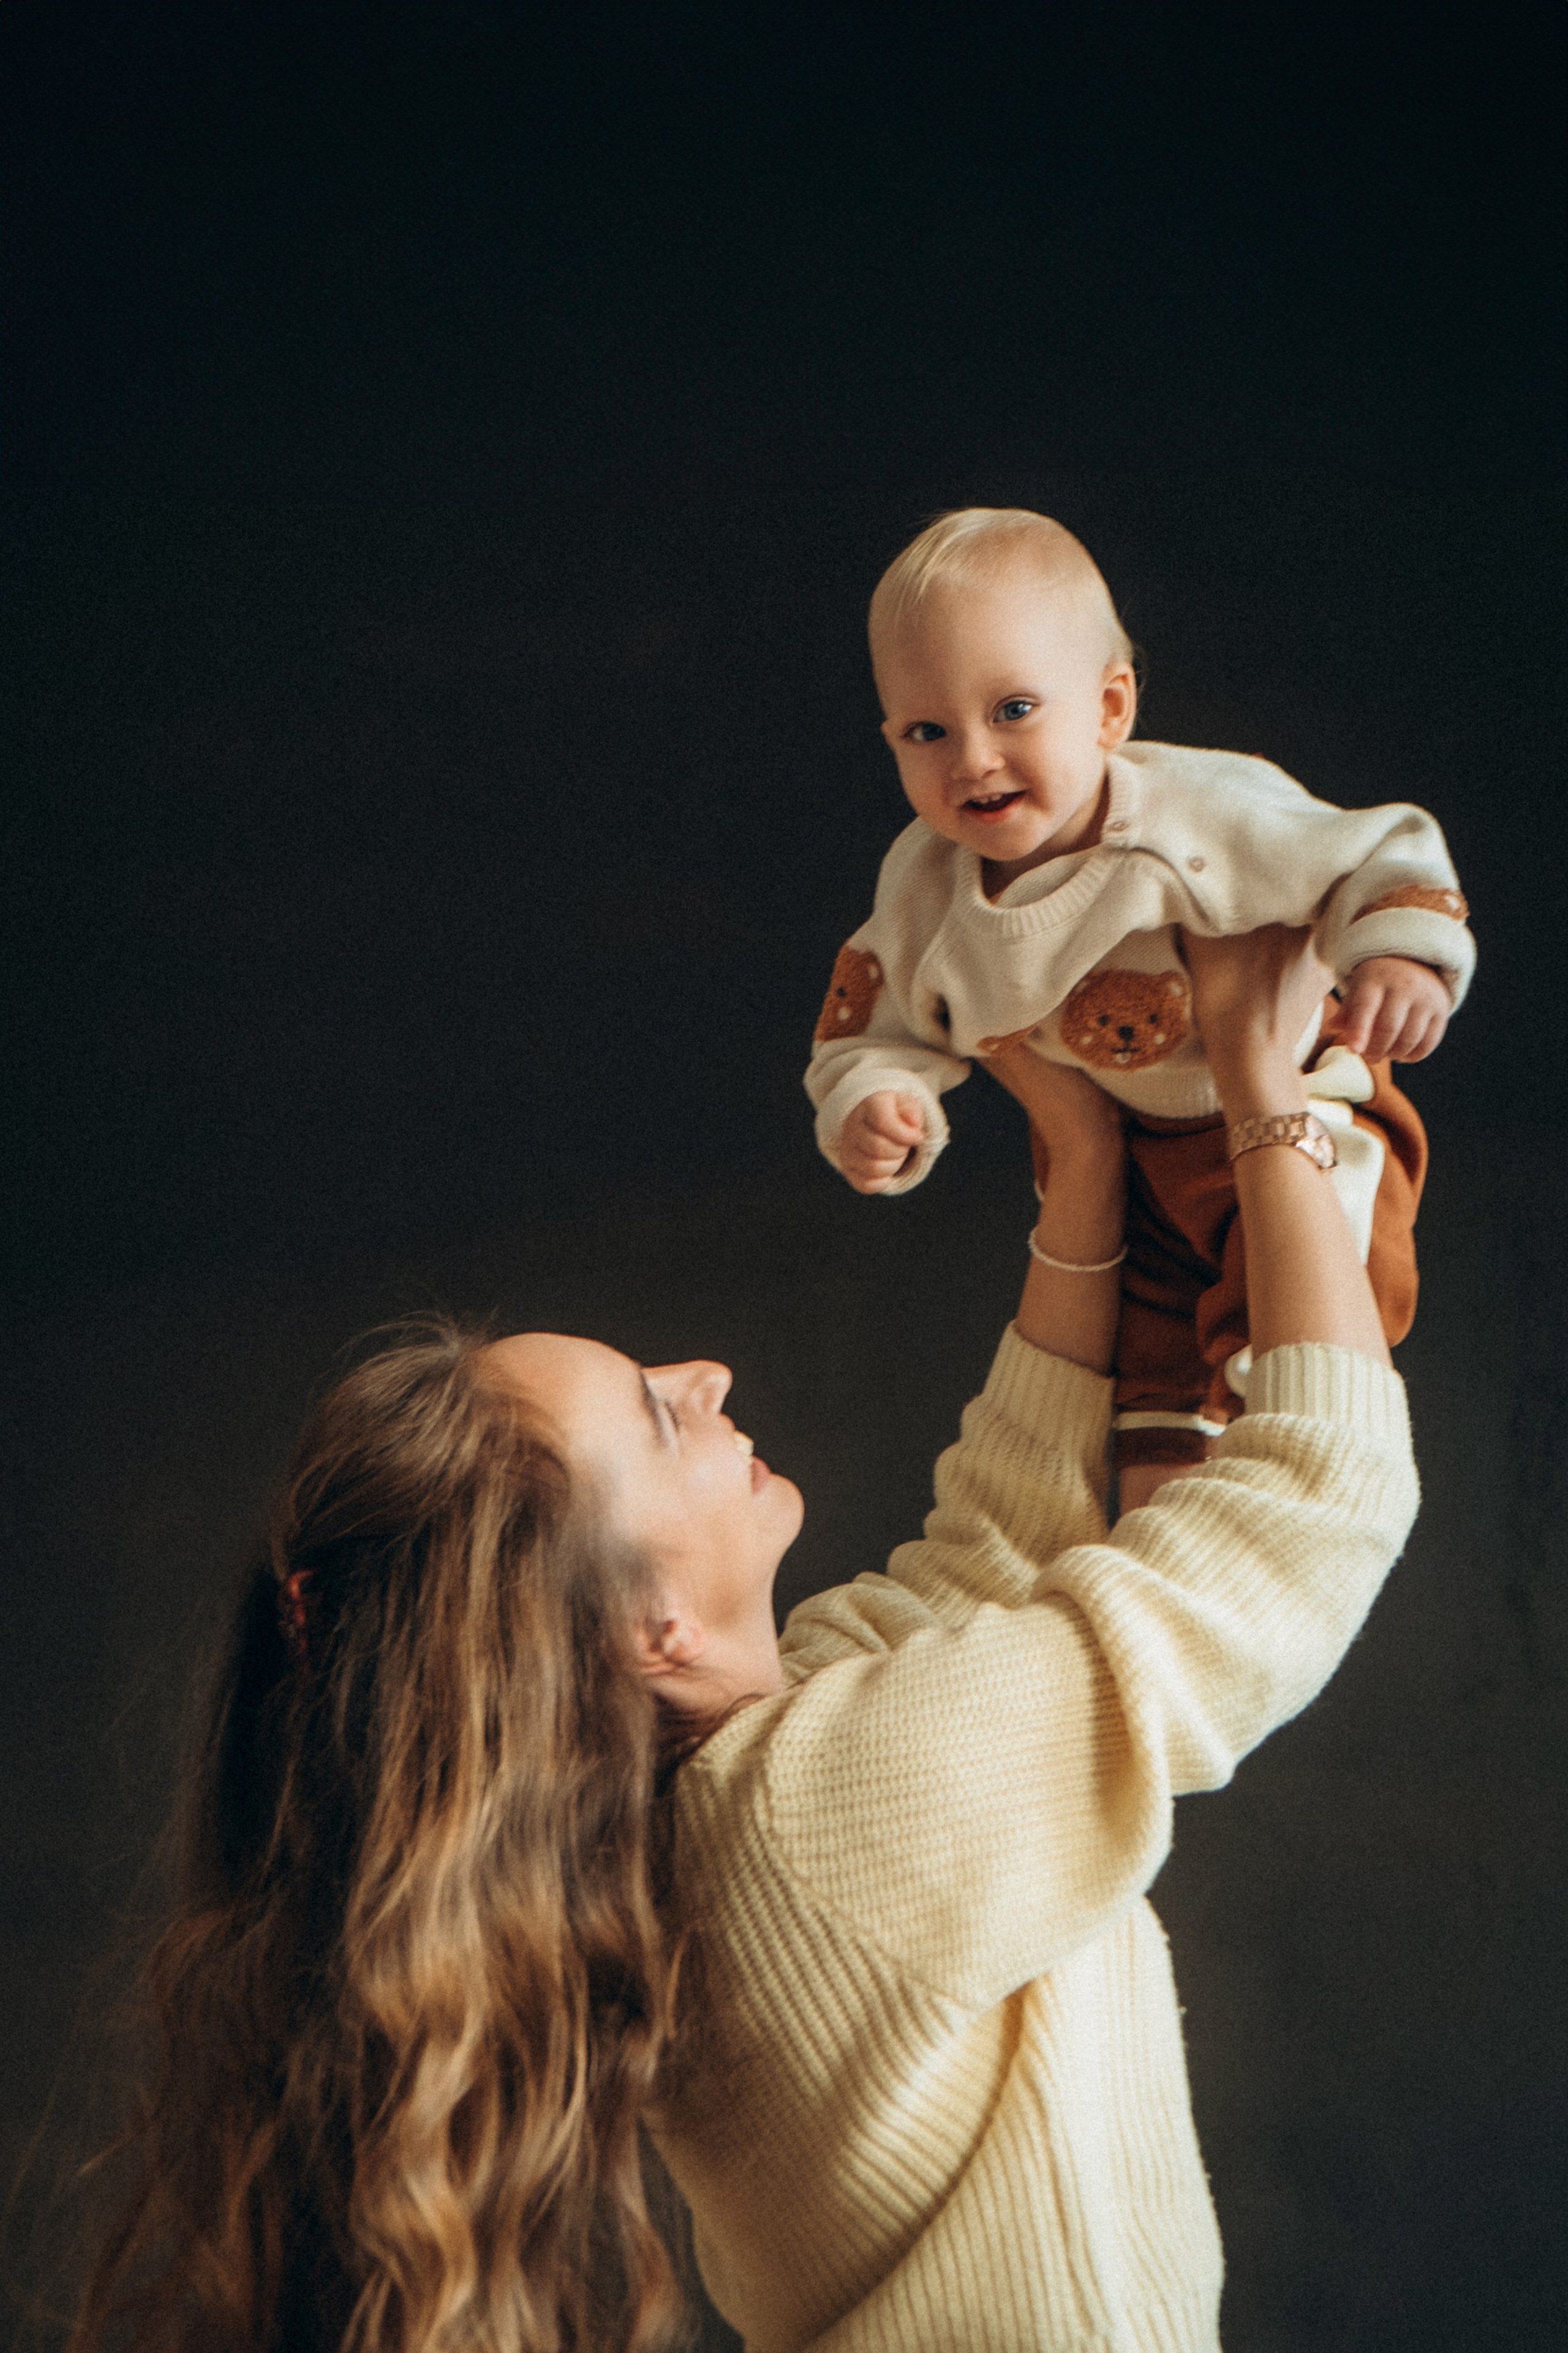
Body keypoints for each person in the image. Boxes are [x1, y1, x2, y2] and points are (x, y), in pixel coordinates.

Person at [71, 927, 1419, 2353]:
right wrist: (1268, 1098)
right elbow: (1314, 1502)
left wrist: (1081, 1168)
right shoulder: (833, 1813)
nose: (703, 1372)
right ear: (648, 1629)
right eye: (656, 1415)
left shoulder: (725, 1802)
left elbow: (998, 1555)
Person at [805, 507, 1470, 1505]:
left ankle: (1296, 1470)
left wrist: (1400, 955)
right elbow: (872, 1017)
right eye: (927, 730)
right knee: (1146, 1379)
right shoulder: (925, 889)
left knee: (1299, 1343)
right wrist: (874, 1100)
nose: (971, 758)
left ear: (1111, 707)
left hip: (1307, 1104)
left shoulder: (1199, 813)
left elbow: (1375, 850)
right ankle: (1159, 1514)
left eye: (1014, 710)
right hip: (1133, 1163)